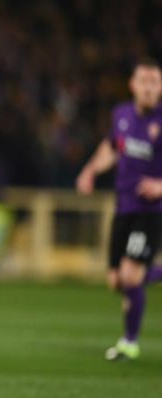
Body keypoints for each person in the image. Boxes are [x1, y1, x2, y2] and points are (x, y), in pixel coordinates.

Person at [76, 59, 162, 361]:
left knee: (129, 275)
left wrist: (160, 185)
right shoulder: (122, 115)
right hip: (123, 207)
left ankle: (129, 342)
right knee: (115, 281)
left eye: (155, 82)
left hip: (150, 212)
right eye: (144, 81)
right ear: (133, 85)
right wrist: (89, 171)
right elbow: (112, 147)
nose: (149, 87)